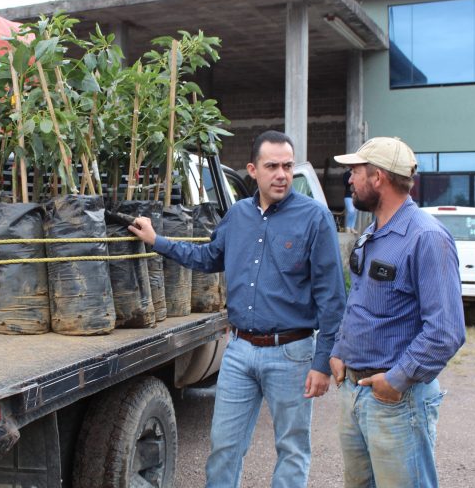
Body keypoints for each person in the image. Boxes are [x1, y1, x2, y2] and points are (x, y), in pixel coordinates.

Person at [129, 130, 345, 488]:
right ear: (253, 170)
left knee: (292, 449)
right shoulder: (237, 215)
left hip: (291, 353)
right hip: (240, 351)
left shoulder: (314, 219)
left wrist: (322, 363)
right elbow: (208, 257)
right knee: (224, 448)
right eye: (272, 166)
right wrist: (158, 241)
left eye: (288, 166)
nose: (281, 174)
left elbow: (333, 298)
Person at [330, 137, 466, 488]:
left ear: (378, 178)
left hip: (395, 401)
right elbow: (360, 300)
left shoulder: (427, 237)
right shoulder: (372, 233)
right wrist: (339, 350)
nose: (349, 180)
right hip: (356, 390)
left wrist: (396, 380)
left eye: (355, 172)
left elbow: (446, 330)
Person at [343, 168, 358, 233]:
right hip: (348, 196)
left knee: (355, 211)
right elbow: (346, 183)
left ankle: (352, 227)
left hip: (355, 195)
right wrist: (352, 178)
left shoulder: (357, 174)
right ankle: (348, 227)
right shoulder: (347, 174)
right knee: (351, 211)